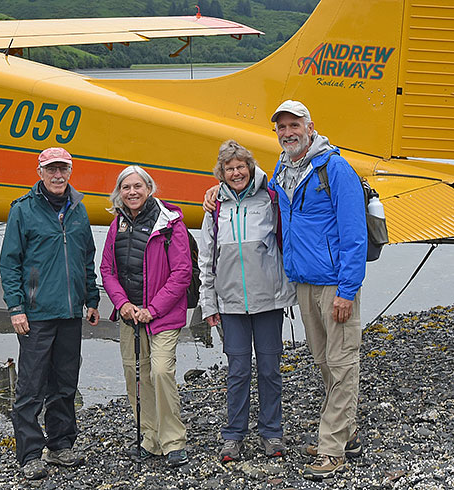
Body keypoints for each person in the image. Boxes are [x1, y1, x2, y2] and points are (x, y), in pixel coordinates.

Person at [203, 100, 366, 480]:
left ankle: (331, 449)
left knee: (342, 364)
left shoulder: (335, 169)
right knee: (325, 362)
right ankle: (348, 434)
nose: (288, 132)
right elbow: (253, 192)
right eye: (282, 127)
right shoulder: (284, 168)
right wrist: (217, 188)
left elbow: (355, 235)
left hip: (334, 284)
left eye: (295, 125)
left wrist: (347, 289)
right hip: (303, 283)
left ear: (311, 127)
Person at [0, 147, 100, 481]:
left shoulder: (79, 210)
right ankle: (29, 453)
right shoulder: (23, 211)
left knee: (65, 383)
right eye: (51, 170)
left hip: (71, 312)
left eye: (63, 170)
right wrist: (15, 308)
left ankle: (61, 445)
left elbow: (86, 259)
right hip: (36, 313)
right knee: (30, 386)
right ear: (40, 172)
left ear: (70, 172)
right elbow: (10, 263)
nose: (58, 176)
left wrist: (92, 299)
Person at [198, 140, 297, 463]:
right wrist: (208, 304)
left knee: (269, 370)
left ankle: (271, 432)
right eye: (230, 168)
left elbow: (287, 238)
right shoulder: (215, 208)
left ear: (250, 167)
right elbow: (206, 259)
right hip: (230, 304)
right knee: (237, 371)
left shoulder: (269, 198)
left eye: (241, 166)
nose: (237, 172)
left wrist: (290, 292)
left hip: (268, 300)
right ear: (221, 174)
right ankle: (233, 435)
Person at [99, 165, 191, 468]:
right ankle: (150, 437)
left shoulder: (170, 223)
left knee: (161, 372)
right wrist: (122, 303)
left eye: (138, 186)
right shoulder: (117, 224)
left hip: (160, 315)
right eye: (126, 188)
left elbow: (181, 273)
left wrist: (152, 309)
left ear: (149, 189)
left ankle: (174, 440)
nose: (132, 192)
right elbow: (108, 270)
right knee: (136, 378)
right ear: (119, 193)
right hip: (130, 316)